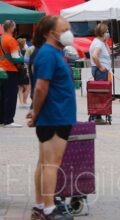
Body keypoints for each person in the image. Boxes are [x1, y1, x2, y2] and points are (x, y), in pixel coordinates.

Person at [27, 15, 76, 220]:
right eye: (64, 29)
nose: (68, 33)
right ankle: (48, 209)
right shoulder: (48, 54)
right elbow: (40, 87)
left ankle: (40, 207)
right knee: (51, 165)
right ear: (50, 33)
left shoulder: (54, 52)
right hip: (55, 116)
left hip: (56, 115)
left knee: (44, 163)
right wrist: (36, 112)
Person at [0, 20, 24, 128]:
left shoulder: (0, 38)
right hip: (10, 70)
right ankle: (9, 121)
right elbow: (15, 58)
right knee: (10, 96)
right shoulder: (11, 40)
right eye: (14, 27)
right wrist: (24, 58)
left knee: (1, 96)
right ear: (10, 28)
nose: (15, 29)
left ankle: (1, 119)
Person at [17, 38, 30, 108]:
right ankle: (24, 101)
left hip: (18, 70)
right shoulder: (25, 51)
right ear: (23, 44)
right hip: (24, 70)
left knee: (20, 87)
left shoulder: (17, 51)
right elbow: (27, 61)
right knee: (28, 87)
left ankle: (21, 102)